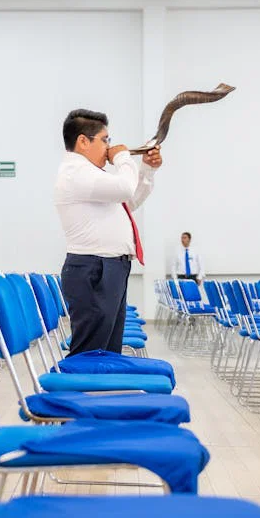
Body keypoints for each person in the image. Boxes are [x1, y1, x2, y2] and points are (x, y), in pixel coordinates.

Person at [54, 108, 162, 356]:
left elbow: (129, 201)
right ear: (83, 141)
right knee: (91, 353)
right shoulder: (76, 172)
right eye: (105, 140)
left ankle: (97, 394)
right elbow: (125, 187)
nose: (109, 147)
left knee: (107, 351)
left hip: (108, 267)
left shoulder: (91, 175)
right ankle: (78, 394)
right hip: (95, 267)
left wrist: (146, 170)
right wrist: (123, 157)